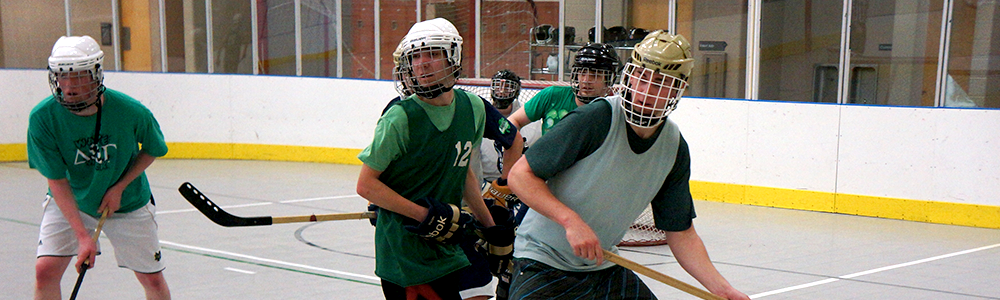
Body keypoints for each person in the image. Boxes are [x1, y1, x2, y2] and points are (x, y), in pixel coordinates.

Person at [505, 31, 749, 299]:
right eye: (640, 78)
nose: (644, 91)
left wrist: (724, 290)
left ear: (677, 90)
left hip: (602, 267)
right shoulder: (596, 118)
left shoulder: (673, 147)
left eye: (658, 83)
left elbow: (681, 234)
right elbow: (520, 175)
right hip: (543, 263)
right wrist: (570, 220)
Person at [356, 18, 511, 300]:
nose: (422, 63)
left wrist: (490, 228)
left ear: (452, 58)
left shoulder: (473, 108)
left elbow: (463, 173)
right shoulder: (400, 118)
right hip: (405, 255)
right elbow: (366, 185)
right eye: (415, 57)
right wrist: (424, 214)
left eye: (432, 54)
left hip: (445, 246)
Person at [27, 36, 171, 300]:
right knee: (45, 270)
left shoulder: (131, 111)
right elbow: (56, 181)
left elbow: (153, 148)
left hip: (128, 203)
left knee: (152, 279)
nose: (68, 87)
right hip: (73, 201)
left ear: (95, 74)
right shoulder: (42, 119)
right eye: (61, 76)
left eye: (78, 76)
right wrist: (83, 236)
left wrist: (119, 187)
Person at [506, 43, 621, 135]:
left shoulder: (615, 111)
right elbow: (513, 121)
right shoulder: (552, 96)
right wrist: (512, 143)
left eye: (595, 75)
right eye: (582, 72)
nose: (586, 80)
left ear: (608, 80)